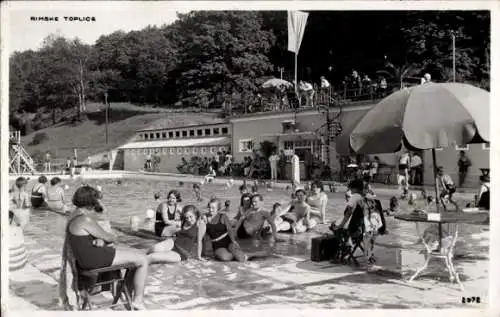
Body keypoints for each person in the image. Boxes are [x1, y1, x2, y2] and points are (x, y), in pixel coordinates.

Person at [62, 186, 149, 310]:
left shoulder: (75, 215)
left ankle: (126, 292)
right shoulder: (85, 219)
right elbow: (110, 238)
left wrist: (100, 239)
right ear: (91, 201)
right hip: (94, 260)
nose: (98, 202)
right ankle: (138, 300)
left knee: (134, 258)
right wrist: (110, 237)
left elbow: (89, 238)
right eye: (96, 199)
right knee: (142, 260)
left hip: (85, 260)